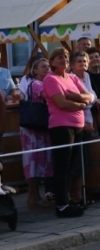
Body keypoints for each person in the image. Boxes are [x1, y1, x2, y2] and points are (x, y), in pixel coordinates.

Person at [43, 48, 93, 217]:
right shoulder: (50, 79)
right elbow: (61, 103)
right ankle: (61, 204)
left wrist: (76, 97)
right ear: (52, 61)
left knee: (72, 166)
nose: (63, 60)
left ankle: (69, 198)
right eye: (59, 57)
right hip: (61, 126)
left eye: (65, 57)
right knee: (62, 166)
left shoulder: (72, 77)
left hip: (77, 125)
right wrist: (80, 104)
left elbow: (89, 96)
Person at [20, 57, 54, 211]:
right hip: (34, 129)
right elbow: (51, 98)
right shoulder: (37, 85)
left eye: (48, 66)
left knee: (39, 162)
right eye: (43, 67)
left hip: (39, 128)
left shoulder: (39, 83)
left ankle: (36, 197)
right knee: (34, 161)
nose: (47, 69)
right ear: (34, 70)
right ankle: (33, 198)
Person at [69, 51, 100, 206]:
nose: (83, 64)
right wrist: (90, 99)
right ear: (72, 65)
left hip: (88, 119)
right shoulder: (70, 78)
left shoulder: (86, 76)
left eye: (85, 61)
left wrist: (95, 99)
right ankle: (76, 194)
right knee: (77, 160)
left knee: (84, 159)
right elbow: (78, 99)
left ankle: (83, 192)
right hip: (77, 122)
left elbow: (91, 95)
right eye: (80, 61)